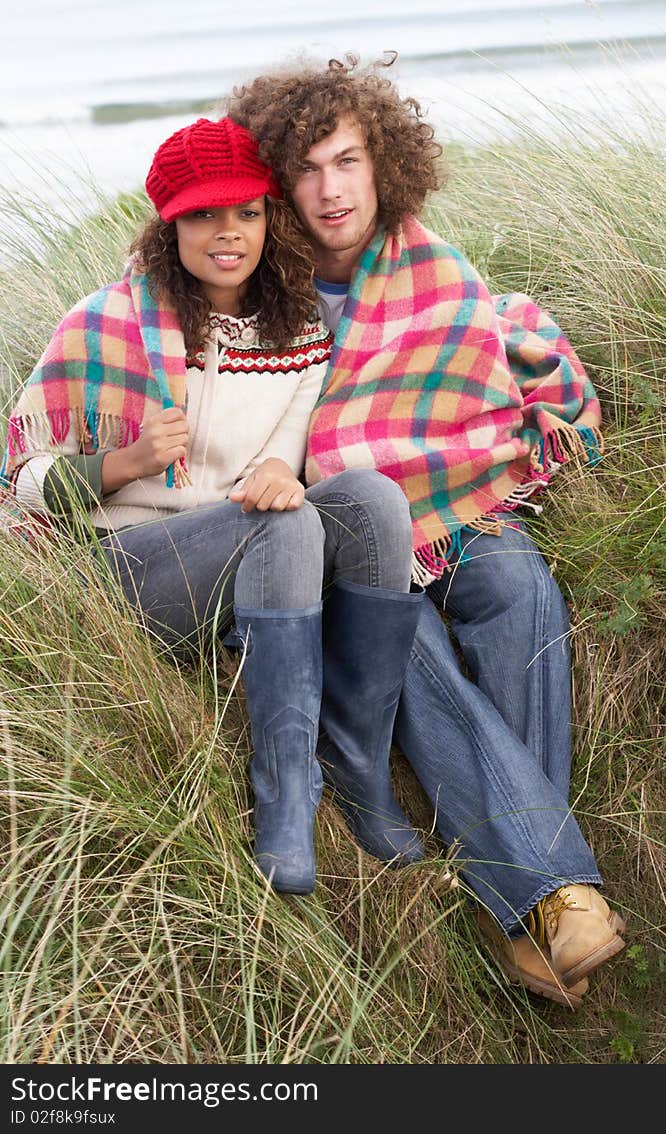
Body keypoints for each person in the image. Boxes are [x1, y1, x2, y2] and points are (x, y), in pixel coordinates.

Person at [228, 57, 628, 1007]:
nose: (331, 190)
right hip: (340, 525)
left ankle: (540, 912)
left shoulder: (428, 263)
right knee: (404, 639)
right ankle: (554, 897)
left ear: (382, 164)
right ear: (277, 184)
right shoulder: (257, 281)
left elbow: (472, 390)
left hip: (456, 502)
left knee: (520, 587)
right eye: (307, 169)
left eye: (349, 161)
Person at [1, 115, 425, 893]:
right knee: (284, 522)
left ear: (270, 217)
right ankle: (285, 800)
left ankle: (357, 765)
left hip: (249, 559)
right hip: (122, 576)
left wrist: (277, 469)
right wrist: (120, 464)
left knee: (370, 501)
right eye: (203, 214)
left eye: (248, 212)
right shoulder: (103, 324)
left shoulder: (298, 330)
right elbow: (19, 479)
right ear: (171, 223)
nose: (228, 232)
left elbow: (287, 449)